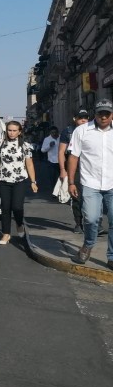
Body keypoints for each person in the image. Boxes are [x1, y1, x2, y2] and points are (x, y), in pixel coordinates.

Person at [68, 99, 113, 268]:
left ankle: (112, 256)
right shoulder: (82, 131)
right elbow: (73, 157)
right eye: (100, 113)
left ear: (112, 114)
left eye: (107, 114)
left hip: (112, 183)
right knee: (91, 218)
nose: (103, 117)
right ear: (95, 113)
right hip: (90, 182)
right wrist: (71, 182)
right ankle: (87, 245)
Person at [0, 120, 38, 245]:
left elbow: (29, 164)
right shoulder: (0, 144)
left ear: (19, 132)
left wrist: (33, 181)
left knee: (17, 207)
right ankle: (6, 234)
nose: (12, 133)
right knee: (5, 208)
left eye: (15, 130)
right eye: (9, 130)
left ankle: (19, 224)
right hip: (3, 180)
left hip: (19, 180)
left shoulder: (25, 146)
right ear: (6, 131)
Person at [59, 109, 90, 234]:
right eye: (80, 117)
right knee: (77, 196)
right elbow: (61, 151)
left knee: (93, 196)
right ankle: (78, 223)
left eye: (86, 117)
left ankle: (94, 224)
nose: (83, 120)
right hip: (74, 168)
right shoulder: (68, 131)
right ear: (74, 118)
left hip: (90, 167)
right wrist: (63, 170)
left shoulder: (92, 129)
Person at [40, 126, 60, 193]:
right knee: (53, 178)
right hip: (52, 161)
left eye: (55, 132)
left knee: (61, 177)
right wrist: (49, 146)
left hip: (61, 161)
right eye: (52, 132)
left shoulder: (61, 138)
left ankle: (61, 191)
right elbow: (42, 150)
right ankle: (54, 191)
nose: (54, 134)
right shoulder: (47, 139)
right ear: (50, 133)